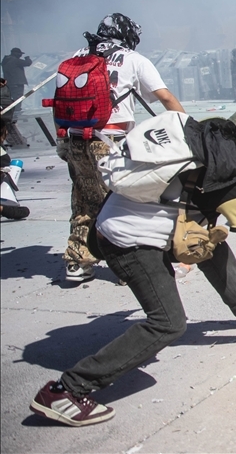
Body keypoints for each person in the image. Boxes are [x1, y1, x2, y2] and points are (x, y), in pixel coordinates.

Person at [28, 108, 236, 427]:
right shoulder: (231, 181)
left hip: (110, 226)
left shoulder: (196, 143)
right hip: (131, 244)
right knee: (168, 323)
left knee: (207, 240)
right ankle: (66, 391)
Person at [60, 14, 185, 284]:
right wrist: (189, 129)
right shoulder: (132, 59)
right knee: (119, 204)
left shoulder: (79, 54)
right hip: (110, 141)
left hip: (75, 139)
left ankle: (77, 261)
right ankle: (125, 265)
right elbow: (164, 97)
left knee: (83, 198)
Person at [1, 47, 32, 117]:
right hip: (17, 83)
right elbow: (28, 63)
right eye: (20, 54)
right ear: (16, 54)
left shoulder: (5, 61)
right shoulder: (15, 60)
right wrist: (27, 58)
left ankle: (11, 112)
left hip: (9, 83)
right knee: (18, 98)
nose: (20, 55)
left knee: (11, 98)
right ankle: (16, 113)